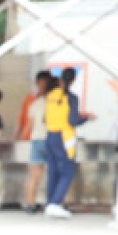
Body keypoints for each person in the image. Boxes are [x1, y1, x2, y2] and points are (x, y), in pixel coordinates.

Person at [42, 68, 87, 219]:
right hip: (65, 137)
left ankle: (51, 202)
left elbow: (45, 118)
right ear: (73, 80)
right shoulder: (71, 98)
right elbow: (72, 120)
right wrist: (86, 118)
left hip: (50, 135)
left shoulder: (50, 95)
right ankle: (55, 203)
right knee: (67, 171)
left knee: (53, 171)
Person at [18, 72, 52, 213]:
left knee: (34, 176)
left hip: (36, 140)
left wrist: (22, 138)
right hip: (51, 140)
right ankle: (52, 203)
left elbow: (28, 125)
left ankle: (31, 204)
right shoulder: (55, 102)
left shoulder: (34, 103)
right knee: (52, 174)